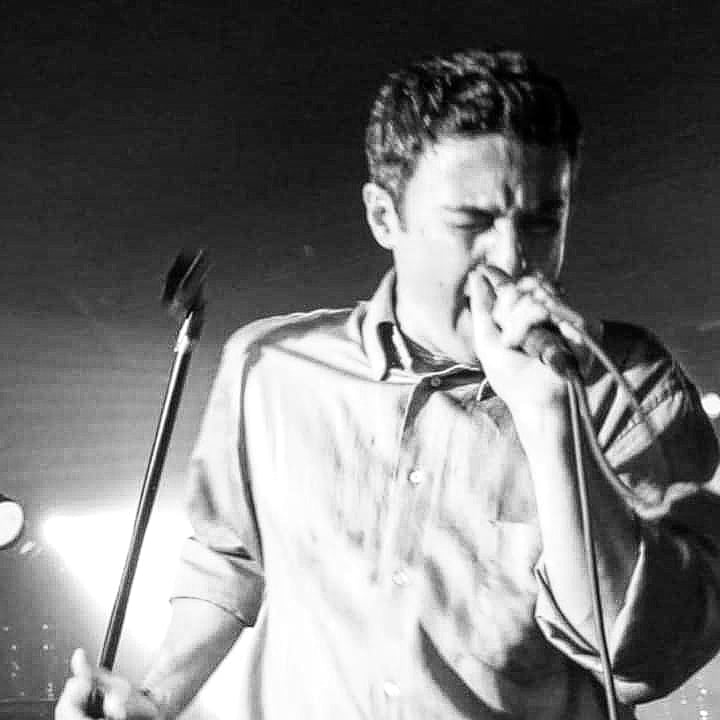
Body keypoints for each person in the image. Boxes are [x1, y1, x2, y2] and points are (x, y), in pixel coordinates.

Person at [56, 49, 720, 720]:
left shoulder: (631, 385)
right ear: (383, 217)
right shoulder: (271, 367)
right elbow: (227, 559)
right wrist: (155, 700)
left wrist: (551, 422)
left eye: (544, 220)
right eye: (471, 223)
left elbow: (647, 658)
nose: (515, 258)